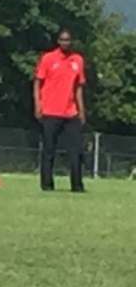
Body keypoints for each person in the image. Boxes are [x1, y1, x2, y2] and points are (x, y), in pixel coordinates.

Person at [34, 28, 86, 193]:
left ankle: (77, 185)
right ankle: (47, 184)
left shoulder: (77, 60)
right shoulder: (48, 58)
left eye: (68, 40)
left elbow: (78, 87)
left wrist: (81, 110)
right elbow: (37, 83)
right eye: (62, 39)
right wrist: (38, 106)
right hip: (50, 111)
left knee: (76, 151)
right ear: (58, 41)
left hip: (70, 112)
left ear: (71, 41)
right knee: (49, 150)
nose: (65, 43)